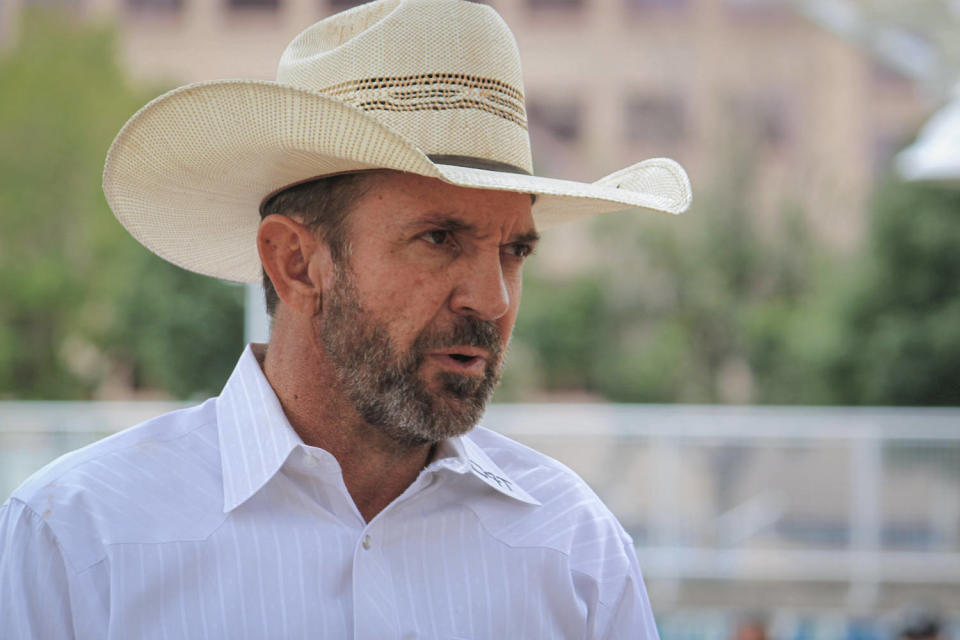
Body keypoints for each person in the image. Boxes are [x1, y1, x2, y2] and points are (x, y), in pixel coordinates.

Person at [0, 0, 691, 637]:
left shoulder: (574, 552)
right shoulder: (82, 538)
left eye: (513, 251)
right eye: (440, 239)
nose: (493, 298)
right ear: (295, 264)